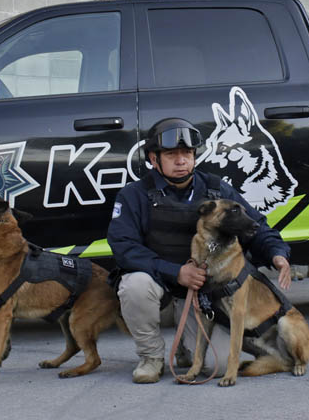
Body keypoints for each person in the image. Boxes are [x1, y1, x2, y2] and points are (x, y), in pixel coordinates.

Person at [107, 117, 292, 383]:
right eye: (171, 154)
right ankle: (152, 357)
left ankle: (186, 348)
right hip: (158, 290)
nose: (181, 160)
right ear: (153, 158)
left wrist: (277, 253)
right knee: (134, 285)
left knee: (211, 365)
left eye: (187, 153)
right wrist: (175, 272)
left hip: (202, 298)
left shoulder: (216, 188)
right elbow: (124, 248)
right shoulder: (134, 195)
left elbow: (254, 226)